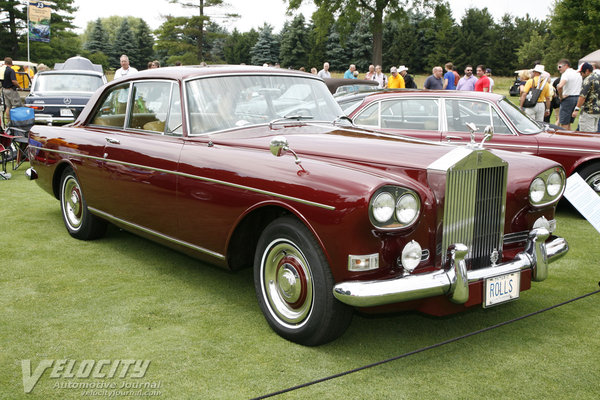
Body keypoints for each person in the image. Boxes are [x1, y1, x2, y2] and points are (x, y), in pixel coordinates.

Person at [571, 62, 600, 132]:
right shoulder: (598, 77)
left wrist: (576, 109)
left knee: (586, 134)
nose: (581, 75)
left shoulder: (587, 79)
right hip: (597, 111)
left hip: (588, 111)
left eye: (581, 73)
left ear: (586, 71)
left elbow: (582, 96)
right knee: (594, 133)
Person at [556, 59, 582, 130]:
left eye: (560, 67)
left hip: (568, 98)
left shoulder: (566, 74)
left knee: (564, 123)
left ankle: (564, 139)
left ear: (566, 65)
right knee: (569, 122)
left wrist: (560, 97)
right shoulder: (577, 73)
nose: (559, 69)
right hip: (577, 98)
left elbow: (560, 86)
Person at [1, 57, 23, 123]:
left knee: (8, 106)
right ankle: (16, 122)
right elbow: (13, 81)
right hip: (11, 90)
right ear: (10, 63)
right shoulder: (11, 70)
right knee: (16, 105)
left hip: (4, 90)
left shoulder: (2, 70)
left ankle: (8, 122)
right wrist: (19, 87)